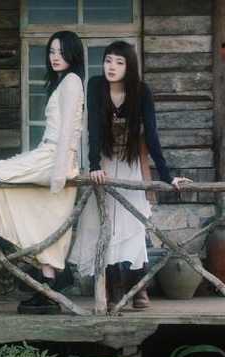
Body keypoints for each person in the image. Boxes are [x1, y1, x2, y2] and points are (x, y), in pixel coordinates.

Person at [69, 41, 192, 309]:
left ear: (129, 65)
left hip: (131, 164)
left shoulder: (141, 91)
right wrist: (94, 166)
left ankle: (139, 286)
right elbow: (92, 128)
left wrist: (167, 175)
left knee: (132, 223)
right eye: (108, 60)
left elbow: (152, 134)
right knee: (104, 223)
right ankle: (114, 286)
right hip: (103, 163)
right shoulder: (96, 86)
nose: (111, 67)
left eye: (119, 62)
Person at [0, 31, 85, 315]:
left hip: (55, 157)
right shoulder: (63, 82)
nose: (55, 57)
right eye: (51, 52)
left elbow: (67, 131)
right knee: (46, 222)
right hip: (50, 154)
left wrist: (59, 170)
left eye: (61, 52)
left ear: (74, 54)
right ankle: (47, 289)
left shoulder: (72, 81)